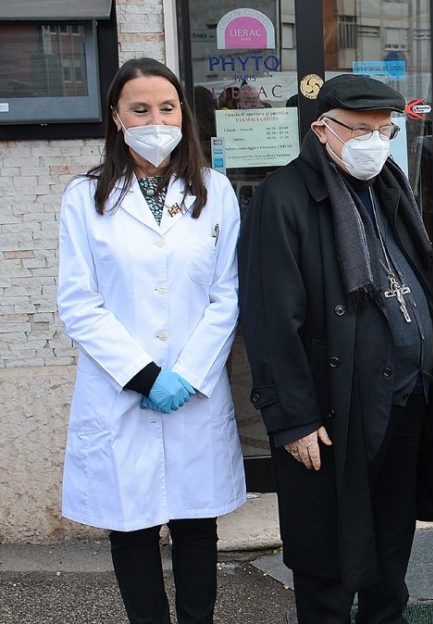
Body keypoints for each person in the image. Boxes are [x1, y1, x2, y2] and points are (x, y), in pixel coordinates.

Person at [238, 74, 433, 623]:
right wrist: (291, 418)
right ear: (322, 128)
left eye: (384, 130)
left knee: (391, 543)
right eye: (359, 130)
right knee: (329, 559)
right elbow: (270, 319)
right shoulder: (283, 197)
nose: (373, 142)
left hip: (406, 397)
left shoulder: (389, 185)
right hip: (335, 409)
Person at [57, 57, 244, 624]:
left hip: (193, 388)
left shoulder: (215, 190)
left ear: (183, 113)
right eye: (140, 109)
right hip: (122, 391)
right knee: (131, 527)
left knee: (195, 525)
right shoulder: (84, 198)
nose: (156, 119)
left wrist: (186, 374)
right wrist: (144, 376)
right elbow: (79, 302)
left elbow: (226, 295)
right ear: (116, 116)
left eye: (167, 107)